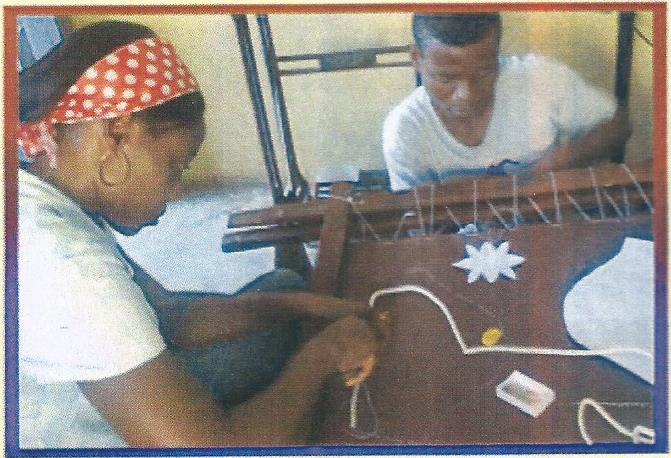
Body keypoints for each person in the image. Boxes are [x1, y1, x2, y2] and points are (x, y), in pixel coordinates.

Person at [17, 21, 386, 448]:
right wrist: (325, 354)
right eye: (175, 168)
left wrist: (299, 305)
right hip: (80, 438)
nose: (176, 192)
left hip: (116, 394)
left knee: (284, 286)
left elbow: (172, 317)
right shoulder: (69, 266)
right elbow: (210, 449)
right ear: (116, 133)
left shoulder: (44, 187)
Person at [383, 13, 632, 191]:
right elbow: (415, 218)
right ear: (416, 58)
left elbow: (619, 126)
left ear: (497, 52)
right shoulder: (404, 130)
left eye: (483, 74)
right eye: (446, 78)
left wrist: (549, 168)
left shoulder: (539, 78)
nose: (466, 95)